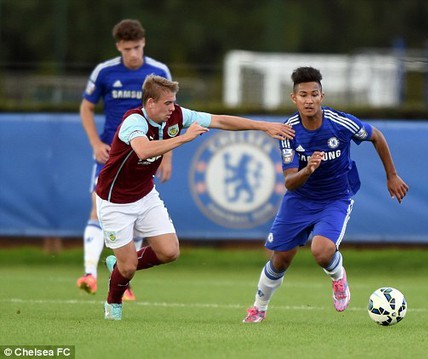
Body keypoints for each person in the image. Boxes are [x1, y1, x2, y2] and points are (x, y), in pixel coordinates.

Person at [98, 74, 295, 320]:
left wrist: (263, 126)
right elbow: (143, 150)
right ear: (150, 104)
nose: (173, 108)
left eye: (174, 102)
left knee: (169, 252)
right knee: (128, 268)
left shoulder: (178, 116)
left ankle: (119, 267)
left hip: (145, 194)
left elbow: (220, 121)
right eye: (167, 103)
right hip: (114, 201)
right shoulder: (134, 121)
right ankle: (113, 303)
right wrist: (185, 137)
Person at [242, 66, 409, 323]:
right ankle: (258, 308)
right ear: (293, 98)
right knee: (281, 259)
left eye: (314, 94)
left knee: (321, 252)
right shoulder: (288, 130)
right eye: (303, 95)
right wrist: (308, 169)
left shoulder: (340, 123)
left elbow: (376, 136)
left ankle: (338, 277)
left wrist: (391, 175)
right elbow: (290, 182)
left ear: (322, 96)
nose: (309, 100)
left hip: (335, 198)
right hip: (300, 198)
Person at [77, 19, 172, 301]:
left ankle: (124, 277)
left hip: (144, 155)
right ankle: (89, 274)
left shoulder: (158, 72)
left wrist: (166, 156)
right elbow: (86, 107)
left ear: (144, 43)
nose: (134, 54)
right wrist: (95, 143)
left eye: (138, 47)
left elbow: (170, 115)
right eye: (128, 48)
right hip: (112, 155)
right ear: (119, 46)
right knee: (96, 209)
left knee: (139, 213)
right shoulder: (105, 72)